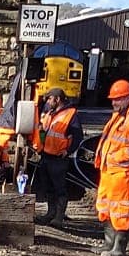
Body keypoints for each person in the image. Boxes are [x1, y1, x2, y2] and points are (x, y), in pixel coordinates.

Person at [93, 79, 129, 256]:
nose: (114, 102)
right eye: (113, 99)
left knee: (121, 209)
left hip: (123, 171)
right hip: (110, 170)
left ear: (128, 97)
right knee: (105, 207)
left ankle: (119, 249)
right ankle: (109, 244)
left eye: (117, 99)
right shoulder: (120, 114)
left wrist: (118, 157)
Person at [30, 89, 80, 225]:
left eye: (49, 99)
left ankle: (58, 217)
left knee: (59, 188)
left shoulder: (71, 114)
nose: (47, 102)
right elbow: (45, 132)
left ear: (57, 99)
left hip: (58, 158)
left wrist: (68, 151)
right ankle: (50, 213)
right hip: (46, 155)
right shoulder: (51, 113)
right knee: (48, 187)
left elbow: (77, 136)